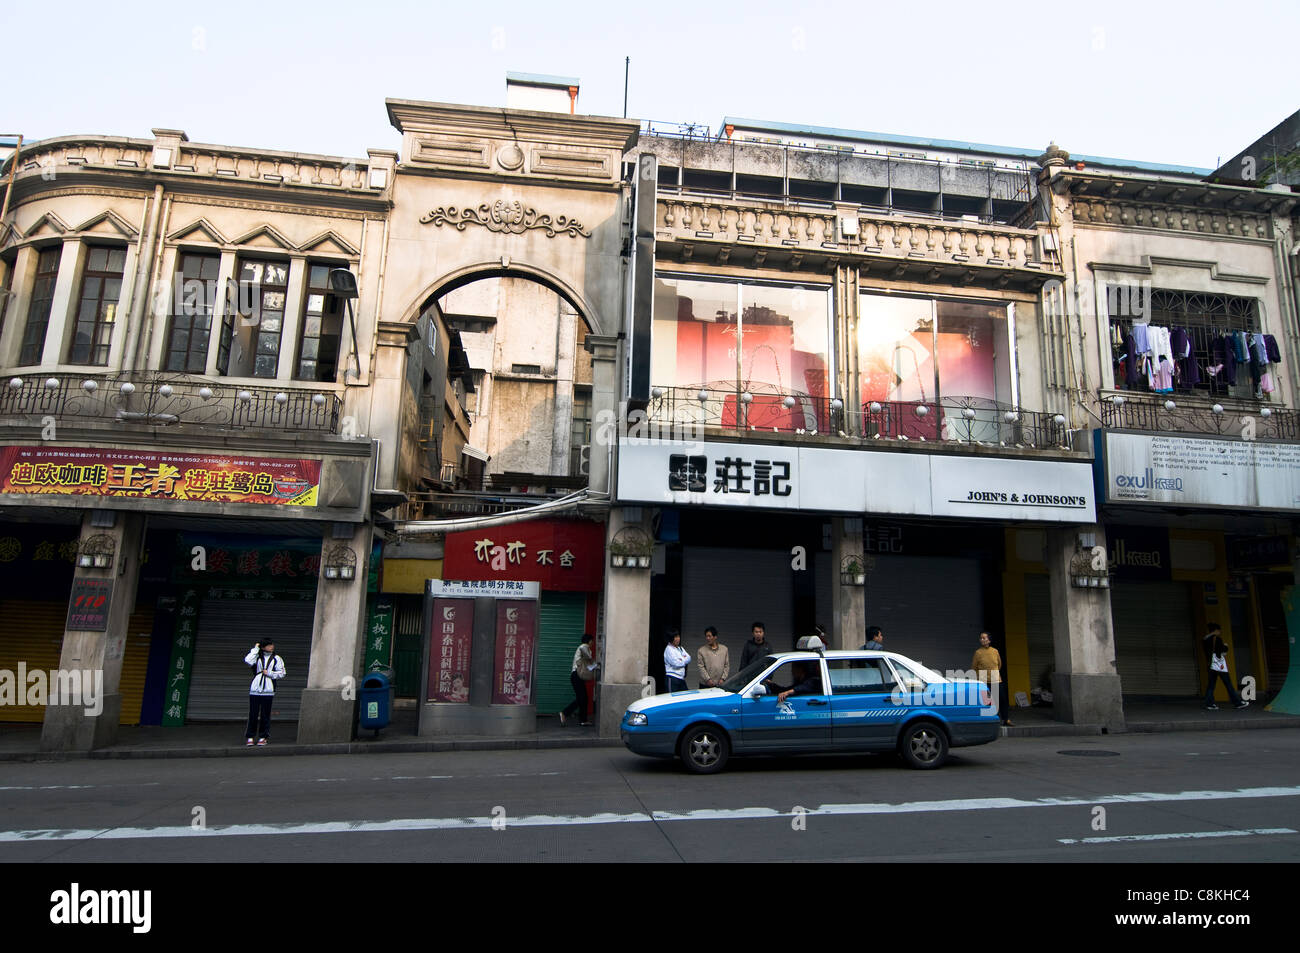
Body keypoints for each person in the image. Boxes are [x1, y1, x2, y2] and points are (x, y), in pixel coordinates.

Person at [243, 640, 285, 746]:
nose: (271, 647)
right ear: (263, 647)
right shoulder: (256, 657)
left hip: (268, 690)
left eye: (272, 645)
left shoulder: (276, 658)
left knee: (265, 714)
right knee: (253, 713)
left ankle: (263, 736)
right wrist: (256, 648)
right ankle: (250, 736)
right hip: (255, 689)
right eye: (268, 645)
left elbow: (282, 673)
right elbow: (247, 660)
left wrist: (270, 673)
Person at [1202, 623, 1248, 711]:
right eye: (1219, 630)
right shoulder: (1217, 639)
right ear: (1216, 630)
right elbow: (1221, 650)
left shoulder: (1205, 640)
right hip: (1219, 666)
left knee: (1211, 685)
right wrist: (1226, 647)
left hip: (1210, 665)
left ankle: (1209, 704)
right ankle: (1237, 703)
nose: (1220, 632)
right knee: (1228, 684)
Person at [971, 631, 1013, 726]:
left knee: (1002, 699)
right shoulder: (978, 653)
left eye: (984, 638)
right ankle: (989, 721)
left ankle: (1006, 719)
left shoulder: (995, 651)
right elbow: (974, 667)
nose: (982, 639)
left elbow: (999, 664)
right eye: (981, 638)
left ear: (989, 640)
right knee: (987, 702)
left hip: (995, 678)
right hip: (983, 680)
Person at [561, 634, 596, 726]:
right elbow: (585, 652)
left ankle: (583, 720)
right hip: (576, 676)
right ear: (589, 641)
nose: (593, 643)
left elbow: (589, 666)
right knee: (582, 698)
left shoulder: (587, 649)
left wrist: (595, 665)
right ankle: (565, 713)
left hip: (578, 677)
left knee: (583, 698)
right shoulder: (584, 646)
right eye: (592, 641)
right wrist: (592, 660)